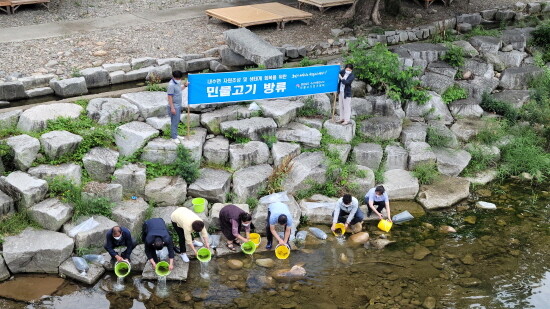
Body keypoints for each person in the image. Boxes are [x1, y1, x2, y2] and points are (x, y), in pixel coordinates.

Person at [166, 70, 188, 144]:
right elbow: (169, 97)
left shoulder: (177, 82)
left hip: (178, 105)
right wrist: (172, 108)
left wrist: (185, 86)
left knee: (177, 121)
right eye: (178, 79)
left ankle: (175, 134)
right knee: (174, 122)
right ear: (174, 77)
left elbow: (179, 91)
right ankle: (174, 138)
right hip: (174, 106)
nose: (179, 80)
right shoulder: (171, 85)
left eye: (180, 78)